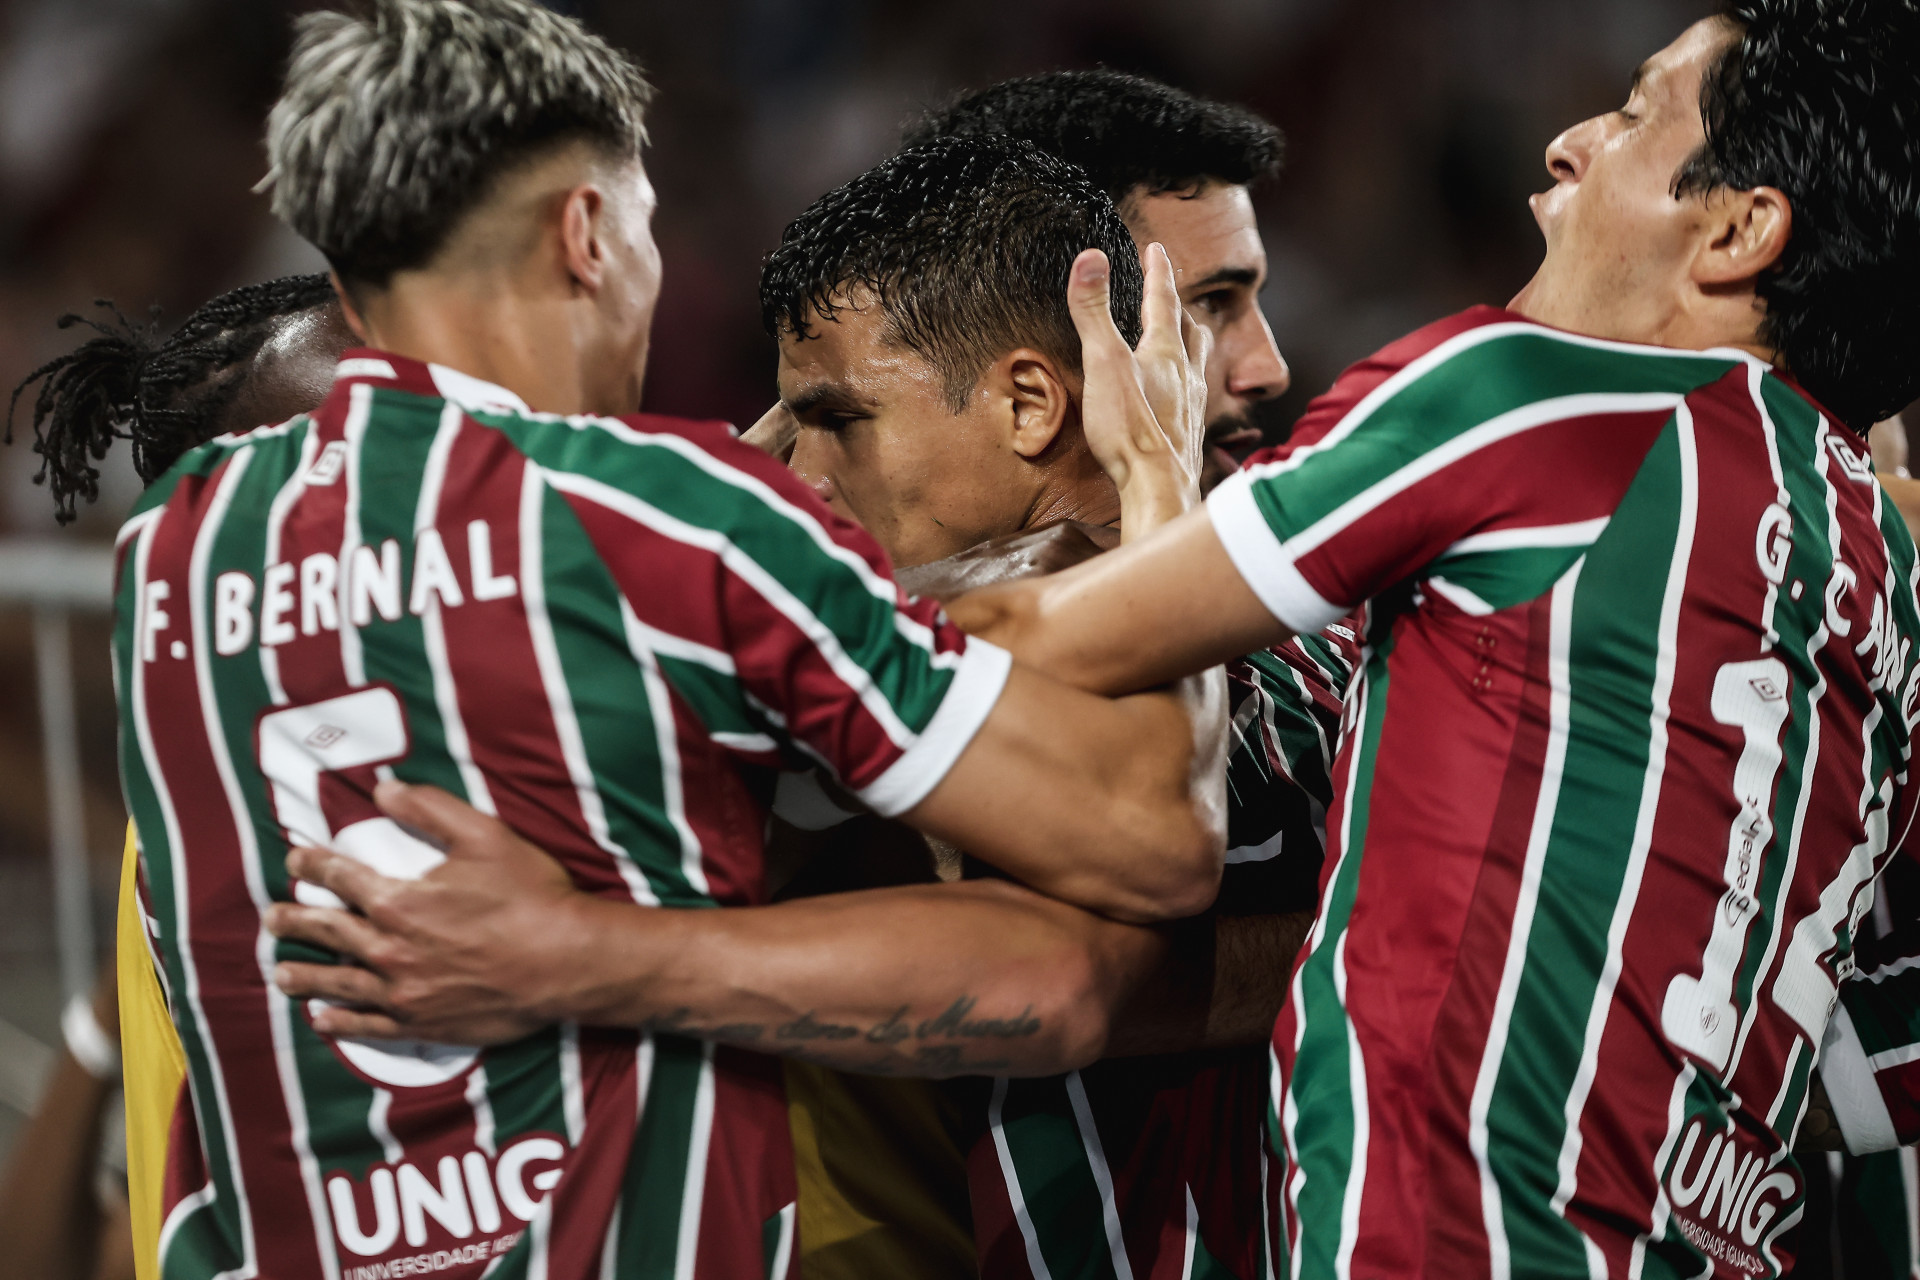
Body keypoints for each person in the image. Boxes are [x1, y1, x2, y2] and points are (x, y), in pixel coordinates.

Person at [269, 2, 1920, 1276]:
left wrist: (727, 595)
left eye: (1224, 306)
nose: (1253, 374)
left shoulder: (1443, 504)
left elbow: (1102, 921)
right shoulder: (1815, 546)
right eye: (1195, 314)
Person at [116, 4, 1223, 1280]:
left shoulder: (174, 557)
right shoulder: (658, 518)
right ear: (586, 231)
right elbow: (1152, 844)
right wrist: (1155, 482)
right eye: (649, 224)